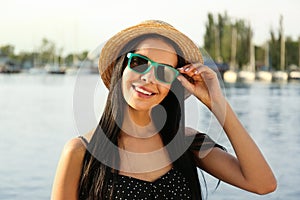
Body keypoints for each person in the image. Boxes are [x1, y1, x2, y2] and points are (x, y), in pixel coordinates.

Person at [51, 20, 276, 200]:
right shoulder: (81, 152)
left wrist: (216, 102)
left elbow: (262, 184)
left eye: (164, 72)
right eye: (140, 63)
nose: (149, 78)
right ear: (122, 66)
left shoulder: (186, 143)